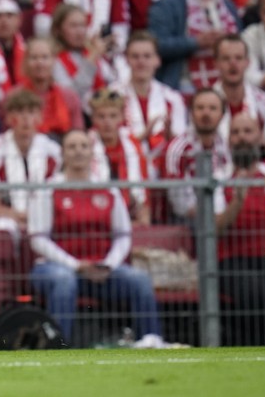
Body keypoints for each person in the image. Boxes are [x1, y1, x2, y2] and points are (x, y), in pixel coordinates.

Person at [28, 130, 165, 348]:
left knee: (139, 280)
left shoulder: (108, 189)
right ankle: (57, 347)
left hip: (101, 270)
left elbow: (123, 234)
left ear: (92, 152)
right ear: (62, 153)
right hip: (56, 268)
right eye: (72, 147)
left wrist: (108, 264)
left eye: (83, 146)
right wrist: (76, 265)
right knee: (64, 281)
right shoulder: (48, 189)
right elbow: (38, 239)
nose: (78, 152)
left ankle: (151, 341)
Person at [219, 113, 265, 345]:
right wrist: (236, 202)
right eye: (236, 132)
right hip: (232, 260)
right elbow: (213, 229)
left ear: (259, 138)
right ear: (228, 139)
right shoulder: (218, 178)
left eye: (247, 132)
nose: (242, 138)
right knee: (252, 286)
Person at [149, 0, 241, 94]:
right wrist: (196, 42)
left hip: (224, 85)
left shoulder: (228, 5)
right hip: (183, 83)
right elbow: (155, 45)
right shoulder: (166, 5)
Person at [0, 88, 61, 232]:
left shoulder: (53, 151)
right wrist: (23, 217)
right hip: (7, 218)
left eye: (31, 112)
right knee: (1, 227)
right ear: (9, 118)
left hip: (46, 217)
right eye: (19, 112)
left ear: (40, 117)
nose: (26, 119)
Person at [112, 31, 187, 168]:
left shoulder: (173, 98)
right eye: (135, 56)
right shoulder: (113, 95)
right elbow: (110, 141)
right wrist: (144, 135)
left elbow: (180, 143)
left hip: (163, 170)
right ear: (126, 59)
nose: (141, 62)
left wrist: (170, 134)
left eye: (147, 56)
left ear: (157, 60)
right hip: (126, 168)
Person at [165, 88, 232, 221]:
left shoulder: (224, 145)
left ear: (222, 114)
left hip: (221, 216)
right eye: (200, 108)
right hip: (188, 220)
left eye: (212, 108)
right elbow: (176, 196)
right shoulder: (178, 147)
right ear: (191, 113)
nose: (206, 113)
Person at [88, 88, 150, 225]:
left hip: (130, 212)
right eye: (101, 116)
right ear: (93, 119)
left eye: (113, 116)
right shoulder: (86, 145)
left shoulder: (132, 144)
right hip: (95, 214)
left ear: (122, 117)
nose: (107, 122)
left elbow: (143, 187)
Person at [213, 35, 265, 142]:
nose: (233, 64)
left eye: (238, 58)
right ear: (216, 63)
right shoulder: (204, 103)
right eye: (226, 58)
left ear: (247, 63)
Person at [12, 37, 84, 138]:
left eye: (45, 57)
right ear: (26, 61)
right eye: (34, 58)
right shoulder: (14, 97)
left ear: (54, 61)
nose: (40, 63)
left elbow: (78, 135)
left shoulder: (69, 97)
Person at [51, 3, 117, 106]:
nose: (80, 32)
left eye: (83, 25)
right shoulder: (53, 60)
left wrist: (112, 54)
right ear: (58, 30)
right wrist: (92, 57)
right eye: (73, 26)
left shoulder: (89, 52)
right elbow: (71, 96)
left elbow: (113, 82)